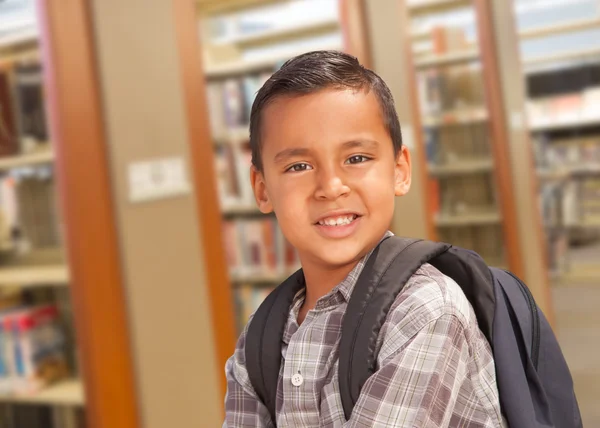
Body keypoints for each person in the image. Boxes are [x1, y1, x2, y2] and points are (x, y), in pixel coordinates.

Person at [223, 50, 505, 427]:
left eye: (356, 158)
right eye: (299, 166)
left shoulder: (425, 309)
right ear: (262, 189)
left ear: (400, 171)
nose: (330, 187)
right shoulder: (261, 335)